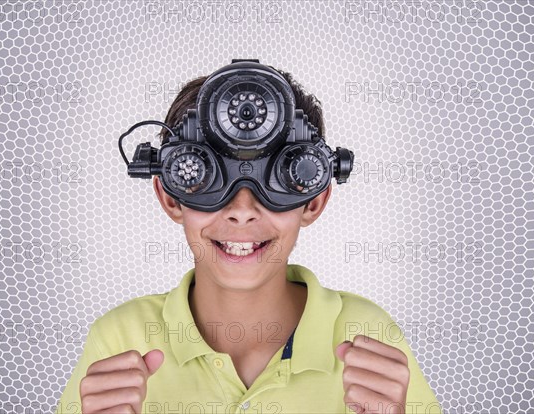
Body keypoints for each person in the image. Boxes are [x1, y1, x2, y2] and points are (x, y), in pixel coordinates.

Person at [55, 61, 442, 414]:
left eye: (278, 179)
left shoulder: (368, 334)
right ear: (170, 196)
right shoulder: (120, 340)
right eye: (203, 176)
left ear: (314, 199)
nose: (242, 209)